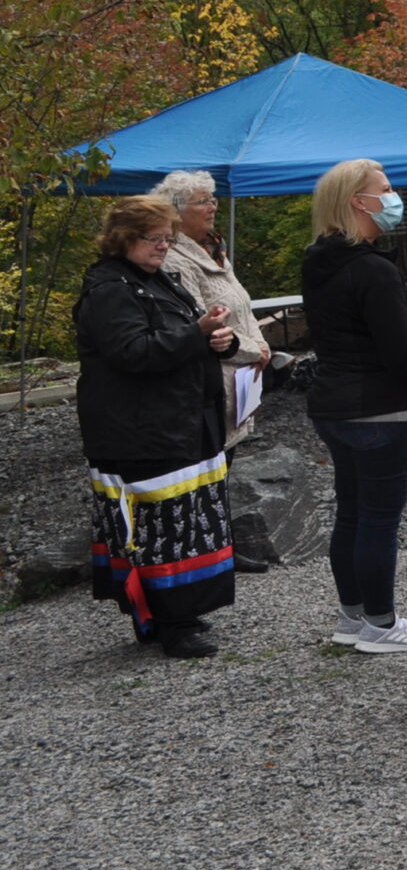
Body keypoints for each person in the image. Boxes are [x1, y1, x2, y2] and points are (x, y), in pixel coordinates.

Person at [74, 196, 242, 659]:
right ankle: (170, 622)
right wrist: (197, 333)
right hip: (141, 431)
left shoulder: (157, 280)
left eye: (168, 239)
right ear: (124, 238)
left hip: (178, 420)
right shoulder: (109, 288)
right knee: (160, 526)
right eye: (154, 239)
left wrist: (220, 341)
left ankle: (177, 611)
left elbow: (185, 337)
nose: (164, 247)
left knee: (188, 521)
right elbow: (133, 352)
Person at [302, 158, 407, 653]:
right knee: (380, 521)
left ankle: (353, 616)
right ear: (357, 202)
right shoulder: (372, 270)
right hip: (383, 407)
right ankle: (382, 625)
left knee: (353, 513)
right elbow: (402, 351)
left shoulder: (320, 264)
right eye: (383, 189)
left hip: (335, 405)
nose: (393, 197)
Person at [149, 171, 270, 449]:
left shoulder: (215, 250)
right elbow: (202, 325)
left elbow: (242, 306)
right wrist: (255, 351)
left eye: (213, 199)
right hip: (211, 385)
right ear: (175, 211)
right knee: (214, 463)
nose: (213, 207)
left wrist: (261, 346)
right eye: (203, 201)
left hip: (241, 380)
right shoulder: (173, 260)